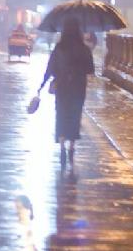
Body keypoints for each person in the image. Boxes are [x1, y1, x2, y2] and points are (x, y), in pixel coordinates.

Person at [39, 16, 95, 162]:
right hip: (78, 87)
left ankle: (62, 145)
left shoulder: (59, 48)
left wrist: (42, 85)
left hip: (62, 86)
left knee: (62, 114)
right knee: (75, 115)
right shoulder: (84, 49)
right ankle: (72, 147)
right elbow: (90, 69)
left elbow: (50, 68)